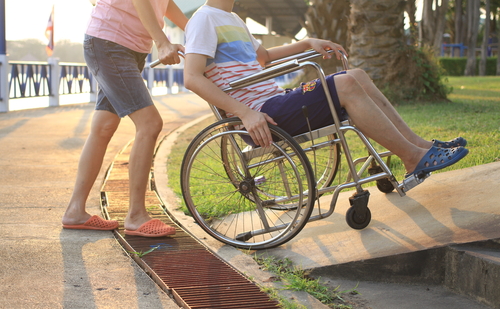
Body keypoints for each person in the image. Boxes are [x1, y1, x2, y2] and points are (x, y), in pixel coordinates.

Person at [183, 0, 468, 180]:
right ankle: (412, 158)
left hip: (275, 101)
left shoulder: (233, 19)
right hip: (261, 115)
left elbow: (265, 56)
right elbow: (193, 78)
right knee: (344, 82)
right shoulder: (203, 20)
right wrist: (245, 113)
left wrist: (308, 42)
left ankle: (420, 147)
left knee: (355, 74)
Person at [62, 0, 187, 237]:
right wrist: (162, 41)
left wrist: (194, 30)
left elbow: (164, 3)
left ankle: (75, 211)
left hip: (131, 47)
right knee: (150, 123)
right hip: (110, 42)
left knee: (104, 127)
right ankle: (136, 216)